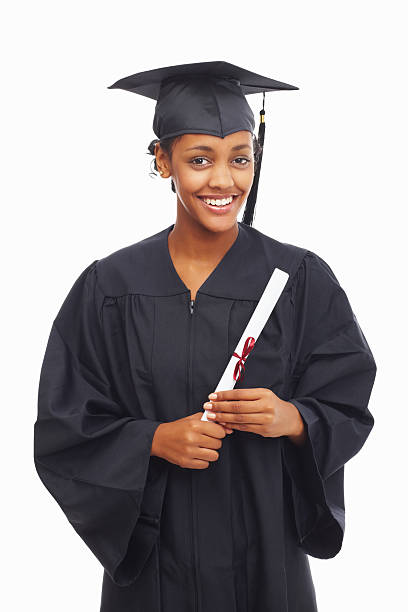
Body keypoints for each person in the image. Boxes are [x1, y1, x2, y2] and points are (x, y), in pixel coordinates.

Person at [33, 61, 377, 612]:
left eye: (241, 158)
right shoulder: (110, 286)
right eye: (199, 160)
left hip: (266, 561)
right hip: (155, 566)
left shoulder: (299, 279)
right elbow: (64, 426)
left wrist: (294, 420)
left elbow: (347, 400)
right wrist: (151, 441)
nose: (223, 180)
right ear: (162, 160)